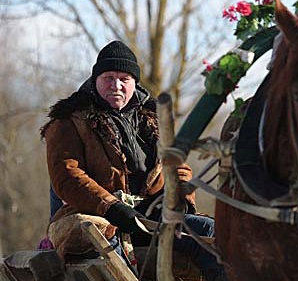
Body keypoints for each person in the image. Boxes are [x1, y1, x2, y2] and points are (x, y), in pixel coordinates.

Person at [41, 40, 227, 281]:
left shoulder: (153, 120)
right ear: (95, 80)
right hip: (96, 215)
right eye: (108, 77)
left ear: (134, 83)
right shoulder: (68, 121)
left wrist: (177, 199)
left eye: (124, 79)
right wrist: (111, 206)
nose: (116, 85)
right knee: (103, 240)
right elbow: (67, 176)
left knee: (206, 231)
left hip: (149, 217)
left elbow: (178, 167)